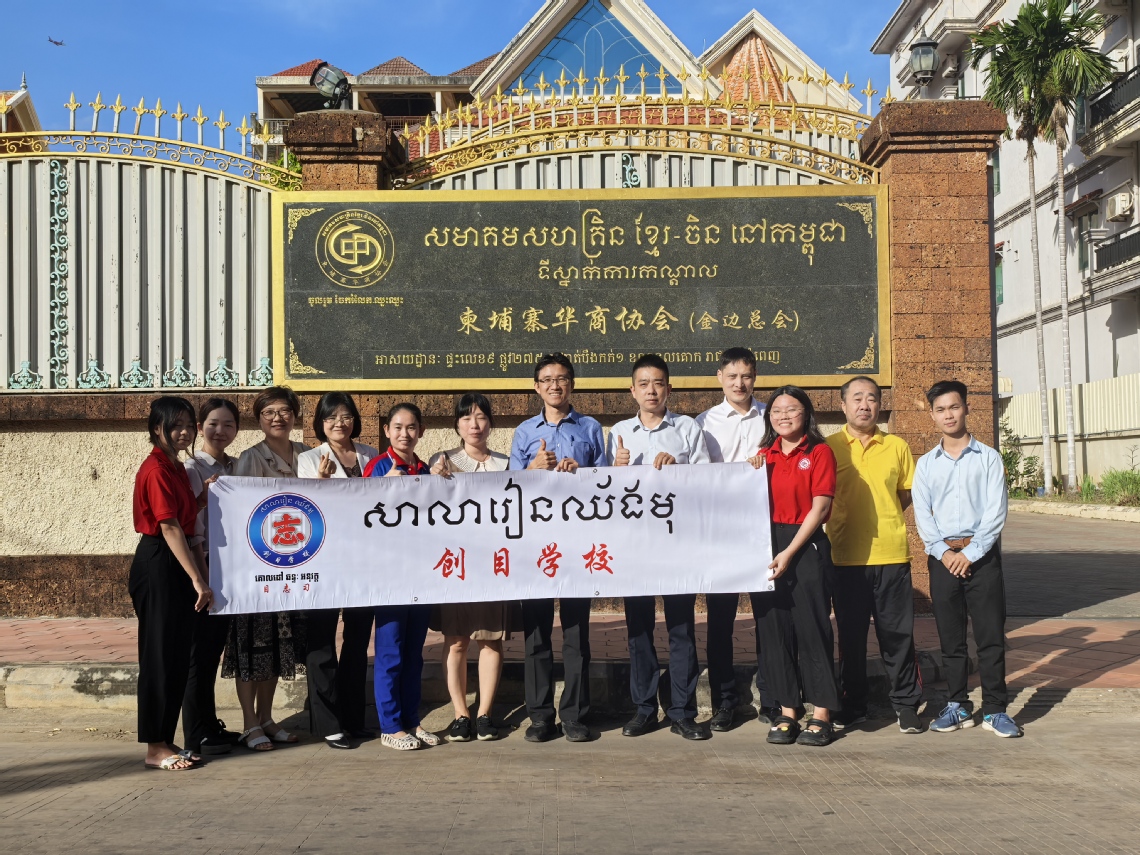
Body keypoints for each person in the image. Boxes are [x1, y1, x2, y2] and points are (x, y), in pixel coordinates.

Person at [609, 354, 711, 741]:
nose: (651, 390)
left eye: (658, 383)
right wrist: (616, 469)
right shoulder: (619, 432)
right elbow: (602, 494)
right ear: (632, 390)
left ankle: (682, 711)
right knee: (639, 628)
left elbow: (707, 481)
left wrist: (679, 469)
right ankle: (644, 709)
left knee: (681, 628)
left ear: (669, 388)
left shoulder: (686, 428)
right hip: (635, 545)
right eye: (644, 384)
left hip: (676, 542)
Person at [913, 380, 1020, 738]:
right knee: (951, 639)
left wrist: (970, 554)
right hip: (942, 559)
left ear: (966, 408)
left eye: (954, 407)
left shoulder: (988, 458)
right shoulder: (926, 465)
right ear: (932, 415)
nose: (948, 415)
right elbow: (923, 516)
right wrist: (945, 553)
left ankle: (995, 709)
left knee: (990, 637)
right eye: (941, 409)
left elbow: (995, 513)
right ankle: (958, 705)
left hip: (983, 558)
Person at [509, 353, 606, 743]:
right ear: (537, 387)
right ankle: (539, 716)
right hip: (536, 544)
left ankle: (575, 715)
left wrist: (581, 473)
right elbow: (509, 487)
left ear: (572, 384)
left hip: (577, 542)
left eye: (562, 378)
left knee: (576, 632)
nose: (555, 385)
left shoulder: (591, 428)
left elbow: (606, 483)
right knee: (536, 633)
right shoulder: (523, 432)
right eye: (547, 379)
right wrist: (532, 469)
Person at [826, 376, 924, 734]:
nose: (864, 405)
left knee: (897, 635)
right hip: (845, 556)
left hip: (891, 555)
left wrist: (883, 517)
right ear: (843, 405)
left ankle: (907, 704)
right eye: (857, 398)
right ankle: (854, 705)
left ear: (879, 405)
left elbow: (905, 494)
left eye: (871, 398)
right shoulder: (828, 448)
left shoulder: (897, 446)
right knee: (850, 637)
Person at [748, 386, 841, 747]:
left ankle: (822, 714)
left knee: (812, 628)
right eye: (776, 410)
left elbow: (820, 508)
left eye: (791, 409)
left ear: (806, 413)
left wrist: (789, 552)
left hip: (805, 545)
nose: (783, 416)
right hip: (765, 545)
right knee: (774, 629)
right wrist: (748, 472)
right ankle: (788, 711)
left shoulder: (819, 452)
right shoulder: (763, 455)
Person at [695, 347, 778, 731]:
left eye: (746, 376)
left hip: (765, 529)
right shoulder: (704, 422)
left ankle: (773, 698)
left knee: (769, 618)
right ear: (720, 378)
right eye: (732, 376)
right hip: (722, 532)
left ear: (755, 377)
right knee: (720, 620)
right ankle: (724, 702)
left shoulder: (771, 417)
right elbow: (698, 475)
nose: (739, 383)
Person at [130, 395, 214, 771]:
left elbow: (185, 517)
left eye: (187, 425)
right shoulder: (156, 469)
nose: (183, 432)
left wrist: (201, 499)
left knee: (178, 655)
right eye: (174, 425)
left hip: (175, 562)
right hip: (159, 563)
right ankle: (154, 746)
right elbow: (169, 527)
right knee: (159, 656)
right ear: (156, 429)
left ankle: (165, 739)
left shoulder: (177, 466)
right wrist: (198, 579)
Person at [226, 386, 308, 752]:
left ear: (295, 415)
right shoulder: (251, 457)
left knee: (277, 646)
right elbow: (242, 514)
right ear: (259, 419)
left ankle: (267, 717)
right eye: (269, 412)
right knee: (253, 647)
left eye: (284, 411)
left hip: (294, 567)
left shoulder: (308, 455)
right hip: (257, 568)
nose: (278, 418)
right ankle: (249, 723)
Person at [429, 393, 513, 743]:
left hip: (494, 564)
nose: (474, 424)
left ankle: (485, 714)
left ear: (490, 423)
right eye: (466, 418)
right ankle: (461, 714)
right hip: (456, 565)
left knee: (491, 640)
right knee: (457, 641)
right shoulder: (442, 461)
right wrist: (434, 478)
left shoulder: (506, 463)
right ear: (457, 425)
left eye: (480, 417)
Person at [297, 392, 380, 750]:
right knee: (321, 642)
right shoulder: (308, 459)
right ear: (320, 423)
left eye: (345, 416)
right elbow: (306, 508)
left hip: (362, 560)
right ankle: (329, 723)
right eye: (331, 417)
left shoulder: (370, 455)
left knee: (358, 640)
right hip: (324, 561)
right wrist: (320, 481)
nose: (339, 423)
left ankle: (353, 718)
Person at [365, 403, 441, 750]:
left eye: (411, 427)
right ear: (386, 431)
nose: (404, 434)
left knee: (414, 653)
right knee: (390, 651)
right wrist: (382, 487)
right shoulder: (378, 467)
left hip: (421, 573)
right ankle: (390, 726)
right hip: (389, 574)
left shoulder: (424, 469)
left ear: (421, 431)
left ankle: (412, 720)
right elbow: (359, 511)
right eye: (397, 427)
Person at [181, 397, 242, 757]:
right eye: (213, 424)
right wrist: (203, 580)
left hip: (230, 567)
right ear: (200, 427)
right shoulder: (192, 468)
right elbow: (192, 530)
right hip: (204, 567)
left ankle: (209, 724)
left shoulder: (235, 467)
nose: (221, 431)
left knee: (211, 652)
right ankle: (196, 733)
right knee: (198, 655)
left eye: (228, 424)